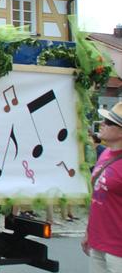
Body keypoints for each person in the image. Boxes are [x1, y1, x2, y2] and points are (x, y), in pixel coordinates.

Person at [82, 101, 122, 272]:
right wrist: (88, 232)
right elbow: (97, 199)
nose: (103, 124)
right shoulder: (105, 154)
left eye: (110, 122)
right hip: (98, 241)